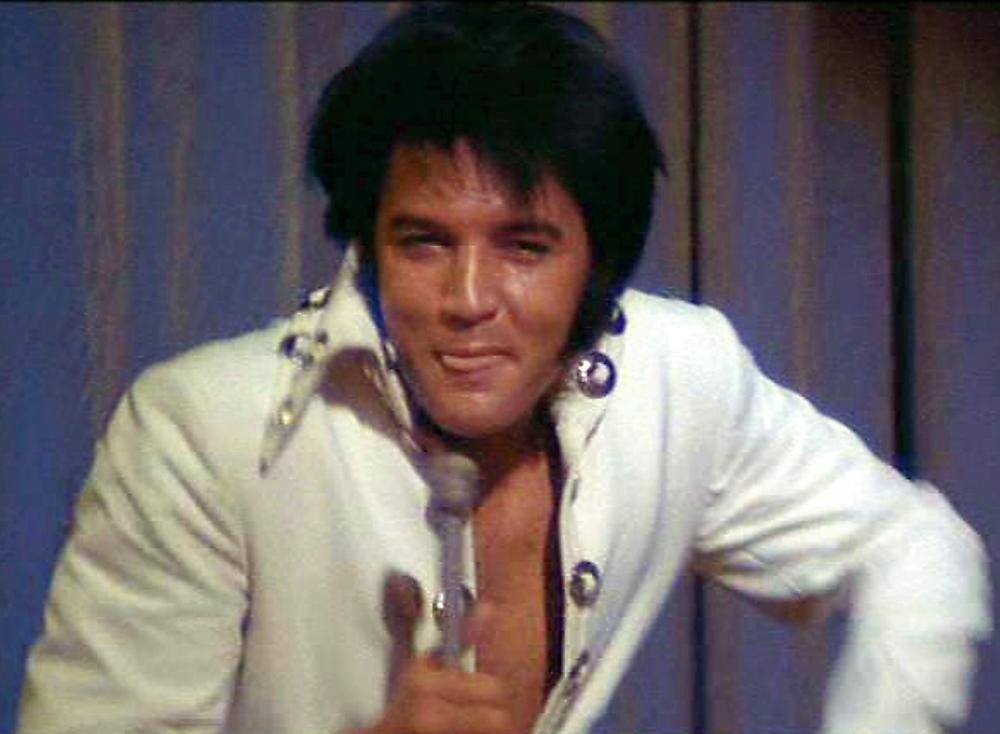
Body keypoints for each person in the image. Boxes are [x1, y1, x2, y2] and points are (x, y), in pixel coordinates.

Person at [17, 4, 990, 734]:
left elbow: (914, 546)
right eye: (424, 241)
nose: (470, 297)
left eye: (524, 246)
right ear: (368, 243)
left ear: (596, 260)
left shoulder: (678, 374)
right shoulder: (202, 429)